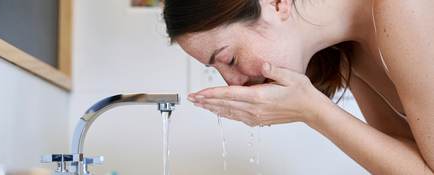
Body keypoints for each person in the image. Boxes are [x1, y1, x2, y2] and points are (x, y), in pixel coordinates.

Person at [162, 0, 434, 174]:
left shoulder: (401, 7)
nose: (233, 82)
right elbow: (405, 160)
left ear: (276, 4)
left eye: (229, 59)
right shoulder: (342, 51)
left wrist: (313, 111)